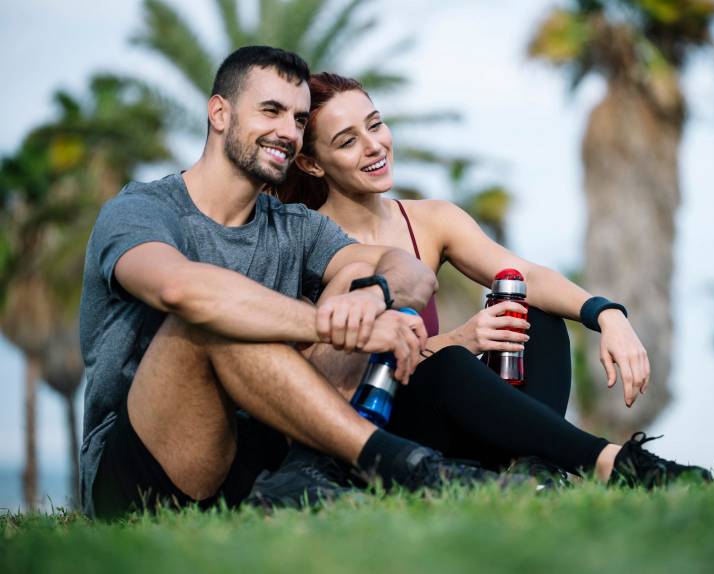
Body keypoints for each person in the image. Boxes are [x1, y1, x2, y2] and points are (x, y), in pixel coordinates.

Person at [79, 47, 510, 519]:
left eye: (300, 119)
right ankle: (404, 465)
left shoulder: (295, 226)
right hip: (143, 472)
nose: (288, 132)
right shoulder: (141, 211)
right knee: (208, 320)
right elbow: (179, 290)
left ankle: (315, 476)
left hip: (261, 458)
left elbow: (410, 271)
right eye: (271, 111)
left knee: (355, 276)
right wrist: (328, 326)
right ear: (219, 112)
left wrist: (373, 295)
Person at [260, 72, 711, 505]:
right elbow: (315, 380)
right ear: (311, 162)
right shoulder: (306, 241)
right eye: (348, 141)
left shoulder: (430, 220)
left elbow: (525, 275)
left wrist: (607, 315)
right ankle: (615, 463)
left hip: (451, 425)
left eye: (375, 125)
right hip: (377, 433)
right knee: (450, 363)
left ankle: (535, 471)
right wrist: (457, 340)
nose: (374, 145)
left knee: (535, 316)